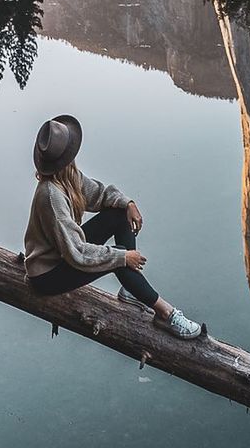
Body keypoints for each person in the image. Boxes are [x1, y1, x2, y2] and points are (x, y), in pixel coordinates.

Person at [23, 114, 203, 339]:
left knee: (118, 213)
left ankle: (131, 287)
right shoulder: (51, 196)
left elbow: (99, 194)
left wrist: (128, 203)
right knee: (118, 260)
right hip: (48, 275)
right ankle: (165, 314)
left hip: (62, 254)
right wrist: (123, 257)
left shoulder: (67, 177)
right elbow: (76, 253)